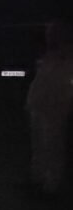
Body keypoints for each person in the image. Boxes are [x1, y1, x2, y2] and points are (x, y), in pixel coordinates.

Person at [26, 18, 73, 196]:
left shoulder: (67, 55)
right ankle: (36, 180)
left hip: (54, 107)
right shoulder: (49, 54)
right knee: (39, 145)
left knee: (52, 146)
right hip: (39, 105)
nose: (49, 35)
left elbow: (65, 82)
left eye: (52, 32)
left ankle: (50, 186)